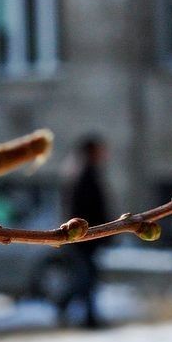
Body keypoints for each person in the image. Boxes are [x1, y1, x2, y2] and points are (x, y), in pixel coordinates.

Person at [61, 136, 110, 329]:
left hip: (87, 236)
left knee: (86, 277)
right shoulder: (83, 173)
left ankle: (84, 314)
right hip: (85, 237)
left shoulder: (80, 170)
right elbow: (85, 207)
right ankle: (87, 316)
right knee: (86, 278)